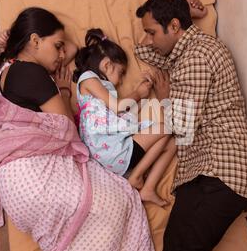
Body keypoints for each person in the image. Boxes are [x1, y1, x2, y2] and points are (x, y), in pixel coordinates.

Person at [0, 7, 157, 251]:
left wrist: (26, 40)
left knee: (105, 212)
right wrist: (64, 94)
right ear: (34, 41)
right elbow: (65, 130)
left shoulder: (12, 67)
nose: (64, 55)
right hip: (33, 180)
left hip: (17, 192)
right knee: (120, 202)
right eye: (58, 46)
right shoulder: (33, 74)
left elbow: (74, 49)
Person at [135, 0, 247, 251]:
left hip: (222, 170)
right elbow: (142, 49)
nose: (149, 39)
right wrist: (184, 12)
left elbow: (181, 128)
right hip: (206, 172)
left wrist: (165, 99)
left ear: (174, 27)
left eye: (152, 31)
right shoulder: (183, 50)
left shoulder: (194, 58)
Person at [73, 28, 176, 207]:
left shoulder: (102, 94)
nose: (121, 81)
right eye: (121, 73)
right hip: (111, 151)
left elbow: (121, 114)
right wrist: (137, 93)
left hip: (114, 152)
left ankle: (148, 188)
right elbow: (118, 106)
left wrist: (142, 93)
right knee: (166, 127)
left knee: (173, 143)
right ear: (106, 65)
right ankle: (136, 177)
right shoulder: (87, 78)